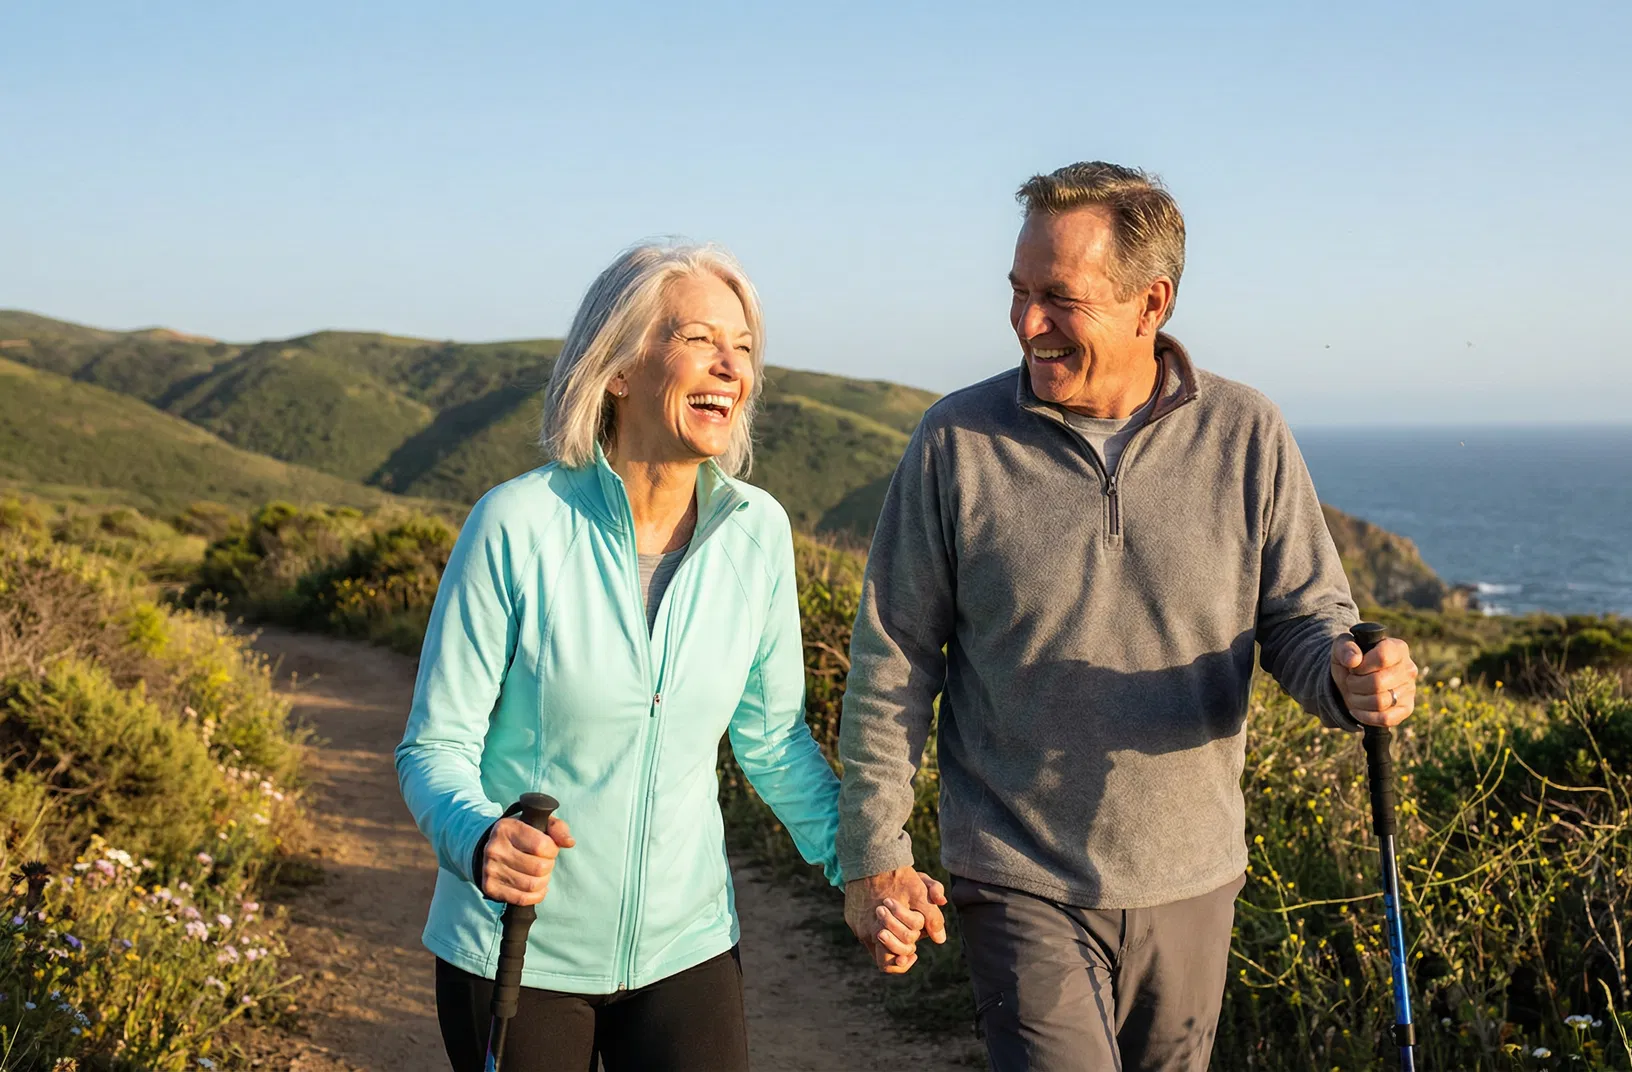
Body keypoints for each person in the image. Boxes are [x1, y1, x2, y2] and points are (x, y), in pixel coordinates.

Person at [835, 162, 1419, 1071]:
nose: (1028, 322)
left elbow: (1305, 618)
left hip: (1192, 876)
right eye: (1019, 293)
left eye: (1059, 298)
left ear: (1152, 303)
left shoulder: (1246, 432)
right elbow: (894, 658)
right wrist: (875, 853)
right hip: (1017, 871)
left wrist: (1349, 677)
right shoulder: (957, 439)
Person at [395, 242, 918, 1072]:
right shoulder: (515, 526)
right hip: (515, 949)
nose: (729, 366)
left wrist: (867, 866)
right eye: (698, 339)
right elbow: (434, 746)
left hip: (689, 945)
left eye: (742, 348)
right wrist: (479, 836)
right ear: (618, 368)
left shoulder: (757, 532)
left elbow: (774, 741)